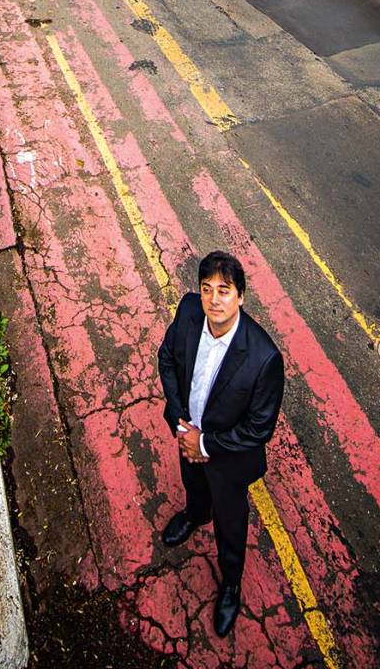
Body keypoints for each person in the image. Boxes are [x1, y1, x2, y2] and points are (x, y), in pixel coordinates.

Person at [157, 250, 284, 638]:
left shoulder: (264, 358)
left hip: (227, 457)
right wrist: (181, 419)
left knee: (230, 524)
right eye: (207, 288)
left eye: (224, 290)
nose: (214, 299)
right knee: (192, 483)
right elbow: (167, 358)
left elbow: (259, 429)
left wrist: (206, 444)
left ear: (241, 296)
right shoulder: (189, 311)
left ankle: (231, 584)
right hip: (187, 431)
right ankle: (195, 515)